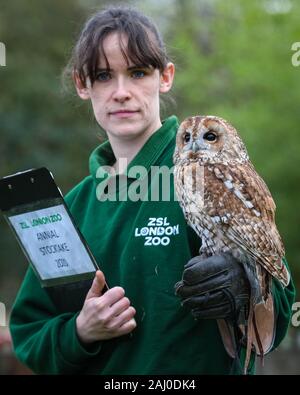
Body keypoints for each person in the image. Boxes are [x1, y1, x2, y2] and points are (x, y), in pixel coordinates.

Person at [9, 6, 295, 375]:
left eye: (138, 72)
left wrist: (244, 290)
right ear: (83, 84)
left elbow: (280, 295)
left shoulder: (206, 172)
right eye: (103, 76)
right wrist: (80, 332)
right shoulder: (73, 205)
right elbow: (31, 330)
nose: (122, 92)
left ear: (166, 77)